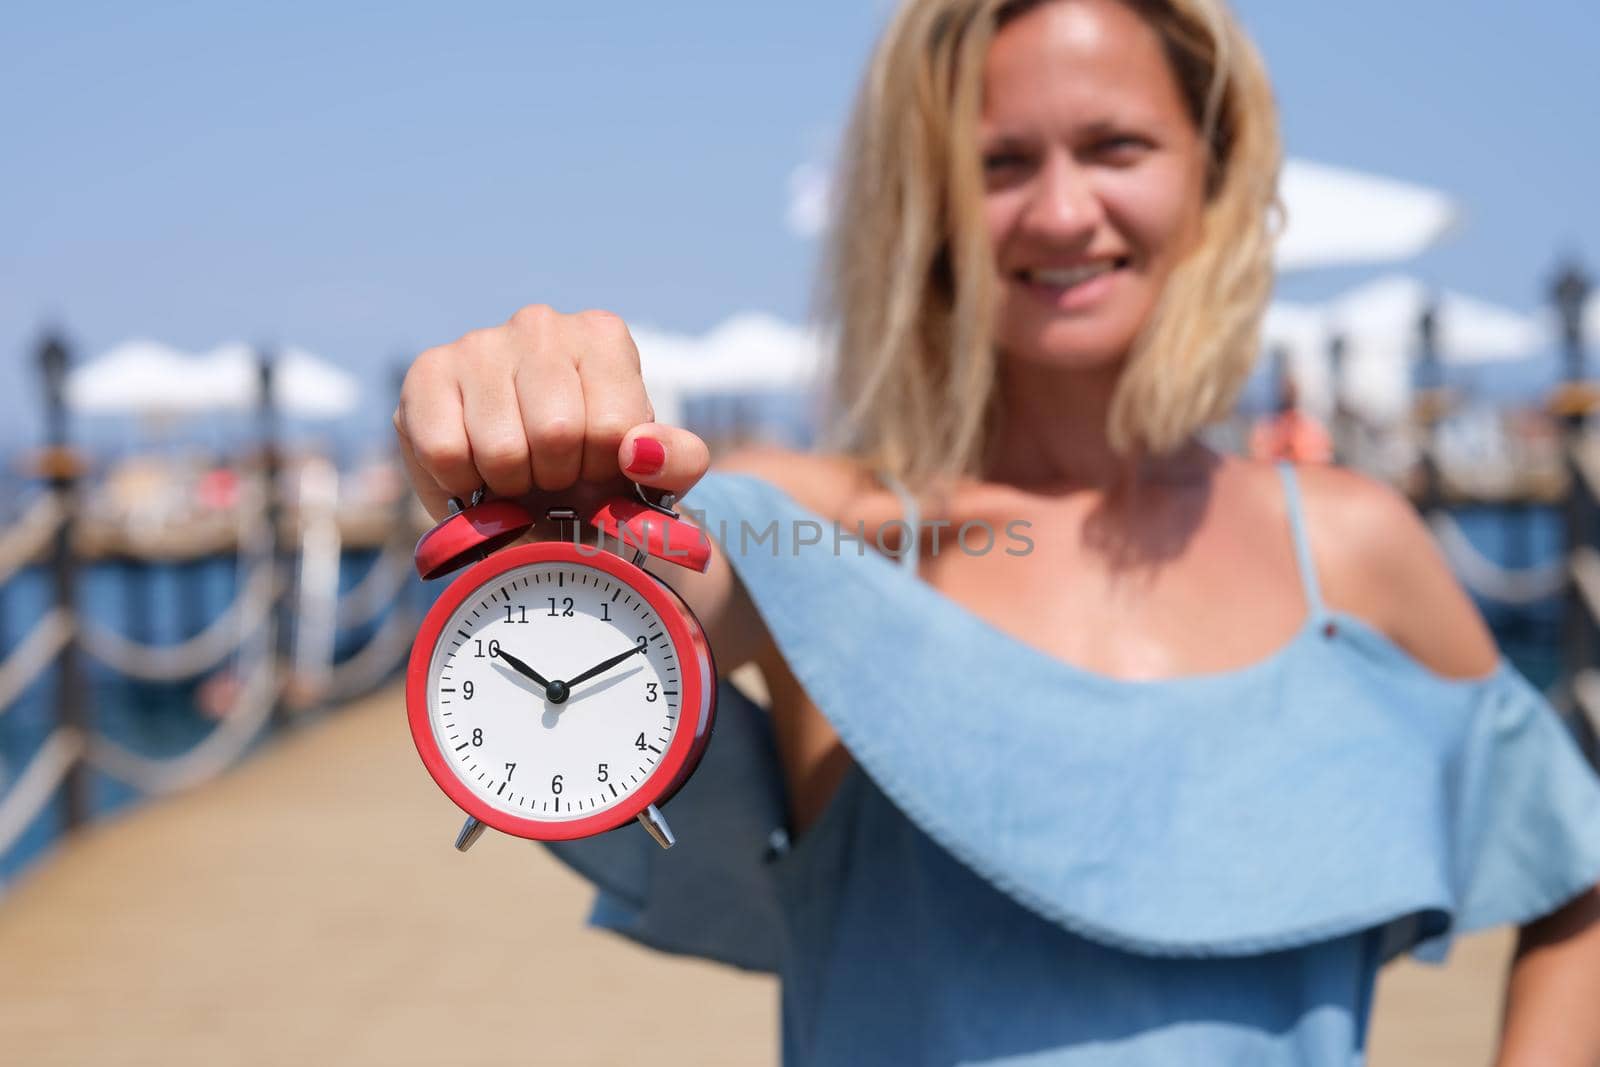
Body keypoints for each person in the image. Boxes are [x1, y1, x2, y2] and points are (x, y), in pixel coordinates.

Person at [393, 1, 1600, 1062]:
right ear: (922, 206)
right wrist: (541, 488)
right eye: (1000, 162)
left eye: (1116, 146)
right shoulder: (828, 531)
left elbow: (1575, 872)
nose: (1064, 209)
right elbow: (654, 576)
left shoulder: (1344, 547)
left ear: (1214, 171)